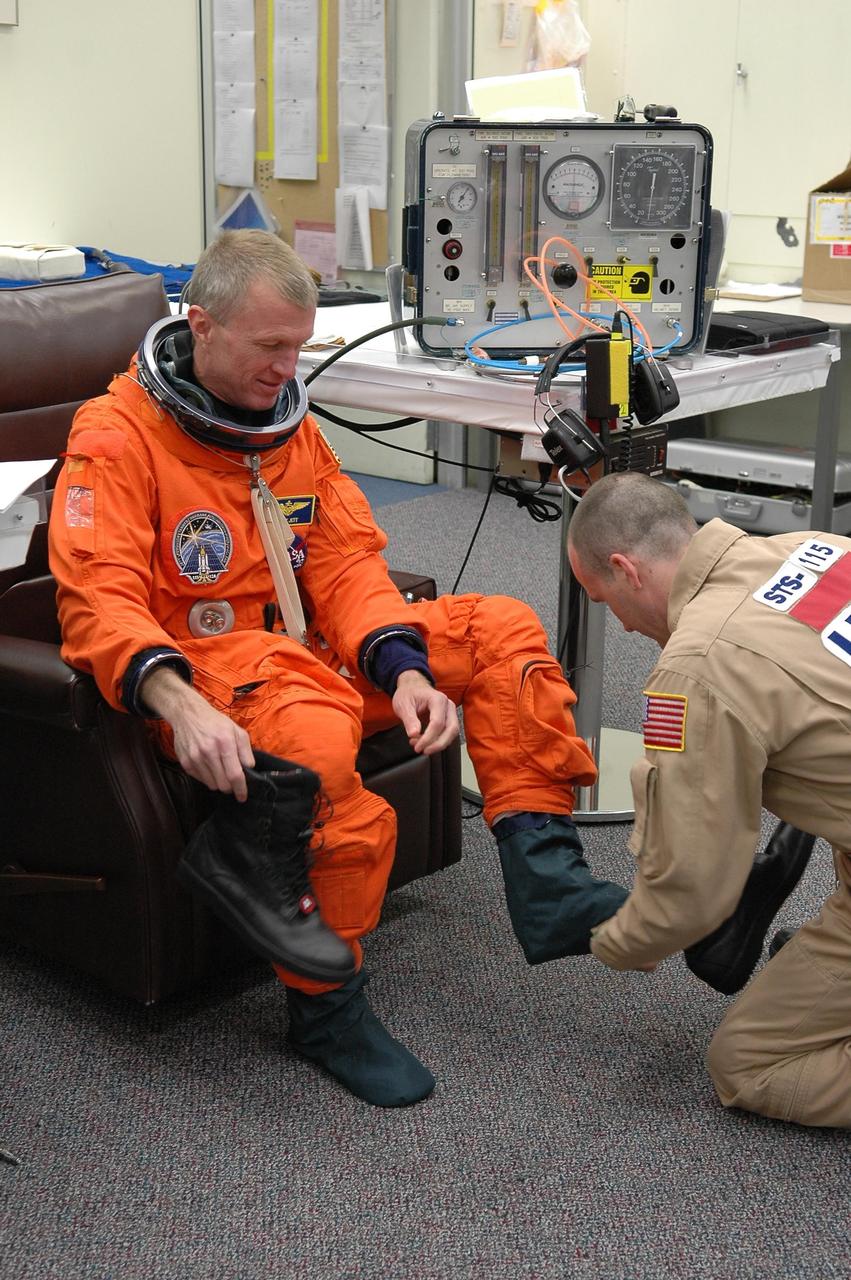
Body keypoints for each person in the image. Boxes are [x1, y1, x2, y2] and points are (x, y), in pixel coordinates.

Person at [49, 229, 632, 1109]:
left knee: (500, 628)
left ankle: (544, 874)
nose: (288, 369)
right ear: (200, 327)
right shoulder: (119, 436)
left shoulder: (288, 432)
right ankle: (326, 1011)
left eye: (299, 347)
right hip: (205, 668)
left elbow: (347, 567)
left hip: (311, 650)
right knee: (319, 742)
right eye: (269, 347)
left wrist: (399, 666)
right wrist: (175, 702)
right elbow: (97, 599)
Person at [567, 470, 851, 1128]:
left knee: (750, 1062)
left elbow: (692, 885)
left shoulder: (696, 665)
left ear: (624, 570)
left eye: (601, 597)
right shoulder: (811, 547)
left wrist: (623, 943)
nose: (620, 625)